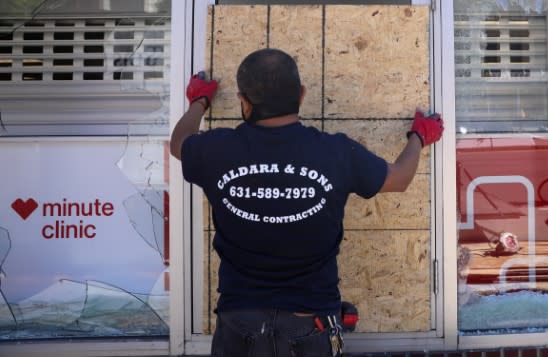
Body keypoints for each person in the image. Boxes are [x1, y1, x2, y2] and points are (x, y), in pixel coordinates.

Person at [169, 47, 443, 357]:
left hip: (239, 321)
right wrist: (419, 136)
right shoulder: (336, 152)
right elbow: (400, 178)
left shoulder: (215, 149)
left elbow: (179, 143)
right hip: (310, 322)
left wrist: (199, 102)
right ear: (301, 95)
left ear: (243, 102)